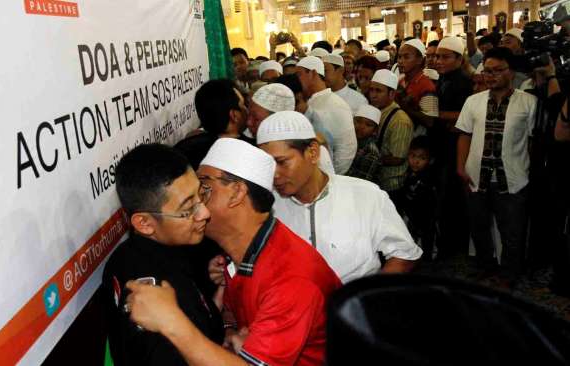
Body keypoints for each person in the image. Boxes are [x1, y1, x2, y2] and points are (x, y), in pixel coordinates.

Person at [125, 138, 342, 366]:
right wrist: (229, 330)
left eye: (203, 188)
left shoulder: (291, 279)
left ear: (237, 193)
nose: (196, 204)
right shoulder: (238, 257)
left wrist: (172, 322)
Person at [254, 111, 421, 283]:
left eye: (281, 162)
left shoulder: (366, 195)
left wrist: (363, 298)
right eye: (267, 165)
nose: (274, 174)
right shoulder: (264, 208)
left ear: (313, 152)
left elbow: (404, 255)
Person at [102, 144, 223, 365]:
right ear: (145, 223)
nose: (205, 212)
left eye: (201, 193)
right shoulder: (156, 310)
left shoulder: (129, 254)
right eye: (188, 209)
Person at [456, 47, 537, 288]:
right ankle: (485, 267)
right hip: (476, 176)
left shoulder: (528, 102)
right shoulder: (473, 101)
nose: (491, 76)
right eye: (488, 71)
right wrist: (461, 167)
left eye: (498, 70)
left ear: (511, 72)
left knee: (512, 231)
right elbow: (464, 135)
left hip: (512, 177)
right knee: (479, 227)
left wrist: (529, 171)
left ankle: (509, 274)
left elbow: (533, 141)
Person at [434, 36, 474, 259]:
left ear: (460, 59)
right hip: (444, 145)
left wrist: (438, 115)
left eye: (445, 57)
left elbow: (466, 116)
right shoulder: (445, 78)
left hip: (455, 148)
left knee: (453, 199)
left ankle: (455, 247)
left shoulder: (463, 82)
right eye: (438, 57)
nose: (439, 61)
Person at [295, 56, 357, 174]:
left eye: (299, 74)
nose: (297, 80)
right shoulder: (308, 102)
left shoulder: (336, 105)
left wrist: (331, 177)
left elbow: (347, 150)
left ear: (313, 73)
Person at [174, 79, 252, 170]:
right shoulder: (252, 152)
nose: (246, 110)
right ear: (234, 115)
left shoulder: (181, 152)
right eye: (242, 105)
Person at [369, 69, 414, 200]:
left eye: (378, 91)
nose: (373, 95)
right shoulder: (375, 111)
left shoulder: (400, 120)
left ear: (392, 94)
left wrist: (370, 159)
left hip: (391, 184)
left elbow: (398, 158)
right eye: (371, 90)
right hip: (377, 181)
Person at [400, 136, 438, 261]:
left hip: (425, 217)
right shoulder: (409, 174)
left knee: (427, 240)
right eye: (412, 156)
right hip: (411, 215)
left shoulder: (429, 179)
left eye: (422, 158)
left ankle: (427, 261)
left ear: (430, 160)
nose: (415, 161)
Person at [396, 38, 439, 137]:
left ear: (419, 60)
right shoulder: (401, 79)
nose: (401, 61)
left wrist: (405, 107)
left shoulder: (426, 85)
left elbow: (429, 121)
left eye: (406, 57)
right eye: (399, 57)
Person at [347, 104, 382, 182]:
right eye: (358, 121)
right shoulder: (348, 139)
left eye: (368, 125)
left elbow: (362, 181)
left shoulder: (371, 152)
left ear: (375, 131)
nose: (361, 126)